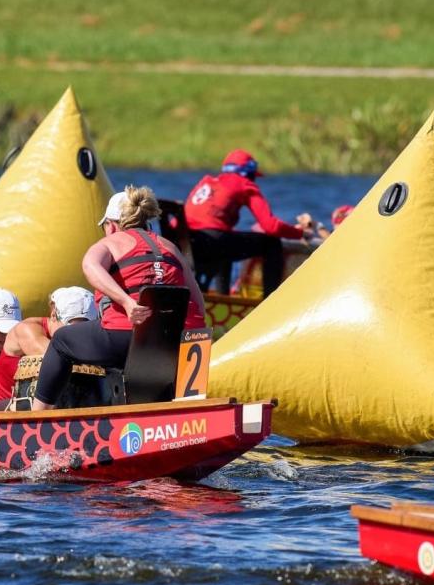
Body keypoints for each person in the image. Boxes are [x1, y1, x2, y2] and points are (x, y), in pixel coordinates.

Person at [33, 186, 205, 411]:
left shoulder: (111, 243)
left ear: (112, 225)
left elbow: (89, 265)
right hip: (185, 342)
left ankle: (37, 418)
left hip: (129, 336)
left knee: (61, 341)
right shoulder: (170, 247)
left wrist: (126, 302)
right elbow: (199, 304)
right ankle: (181, 415)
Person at [184, 149, 313, 295]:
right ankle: (270, 302)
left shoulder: (206, 182)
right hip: (211, 242)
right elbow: (271, 226)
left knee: (227, 242)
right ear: (248, 173)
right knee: (271, 243)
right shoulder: (244, 184)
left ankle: (222, 296)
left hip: (187, 242)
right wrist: (300, 233)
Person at [0, 286, 96, 412]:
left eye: (85, 329)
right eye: (72, 328)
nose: (78, 335)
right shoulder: (26, 329)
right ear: (53, 315)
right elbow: (58, 357)